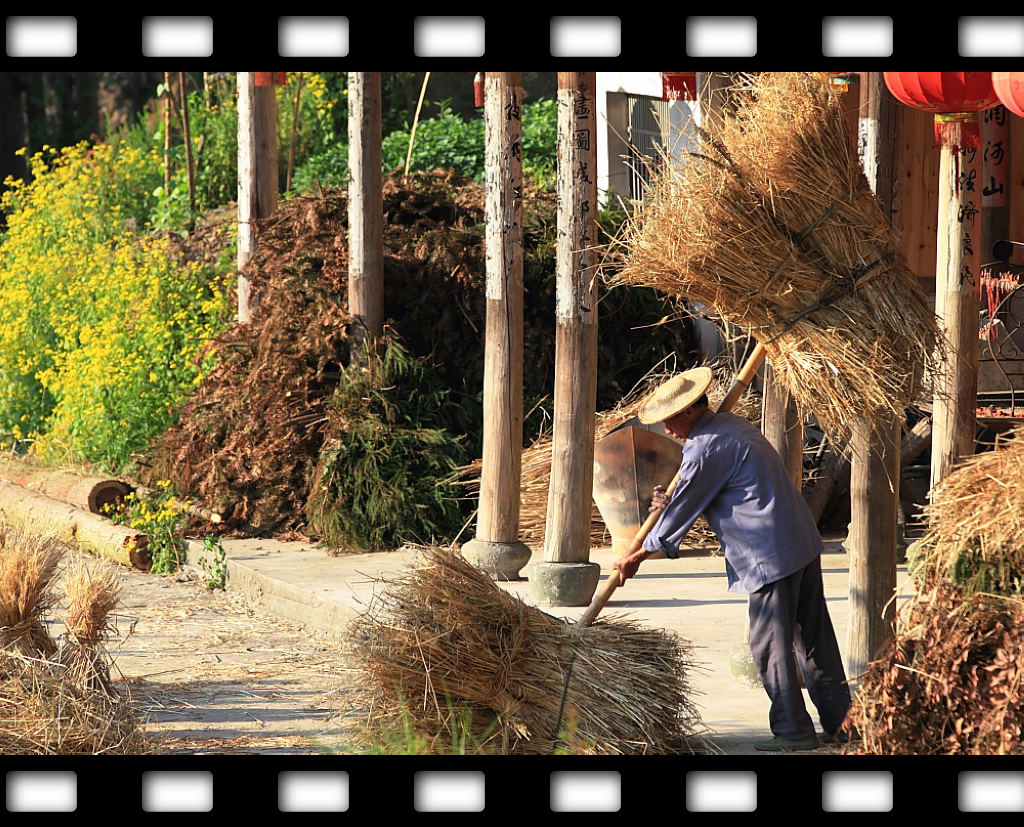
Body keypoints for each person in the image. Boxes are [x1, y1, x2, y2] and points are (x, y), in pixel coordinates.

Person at [612, 366, 852, 751]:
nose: (668, 430)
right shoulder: (732, 426)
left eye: (671, 420)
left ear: (690, 411)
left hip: (769, 552)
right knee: (813, 639)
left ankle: (793, 732)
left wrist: (638, 555)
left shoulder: (706, 446)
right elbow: (709, 491)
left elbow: (679, 517)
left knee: (770, 644)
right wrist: (669, 503)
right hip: (800, 542)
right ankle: (843, 725)